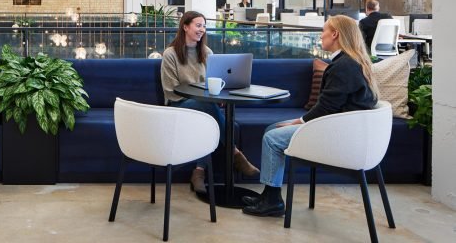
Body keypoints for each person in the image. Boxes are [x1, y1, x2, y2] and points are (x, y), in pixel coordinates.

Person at [241, 15, 379, 217]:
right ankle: (269, 194)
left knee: (272, 138)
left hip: (339, 135)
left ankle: (272, 201)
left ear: (335, 34)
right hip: (343, 128)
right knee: (272, 129)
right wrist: (298, 122)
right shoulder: (350, 62)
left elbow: (326, 107)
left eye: (324, 30)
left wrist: (298, 121)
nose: (320, 36)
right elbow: (330, 107)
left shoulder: (344, 67)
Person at [160, 11, 260, 194]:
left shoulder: (207, 53)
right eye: (198, 25)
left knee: (207, 115)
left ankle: (199, 172)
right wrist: (204, 100)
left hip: (204, 106)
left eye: (204, 26)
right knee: (206, 108)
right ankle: (235, 153)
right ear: (185, 27)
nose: (202, 30)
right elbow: (170, 90)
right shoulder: (170, 54)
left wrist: (216, 96)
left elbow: (215, 81)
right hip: (178, 106)